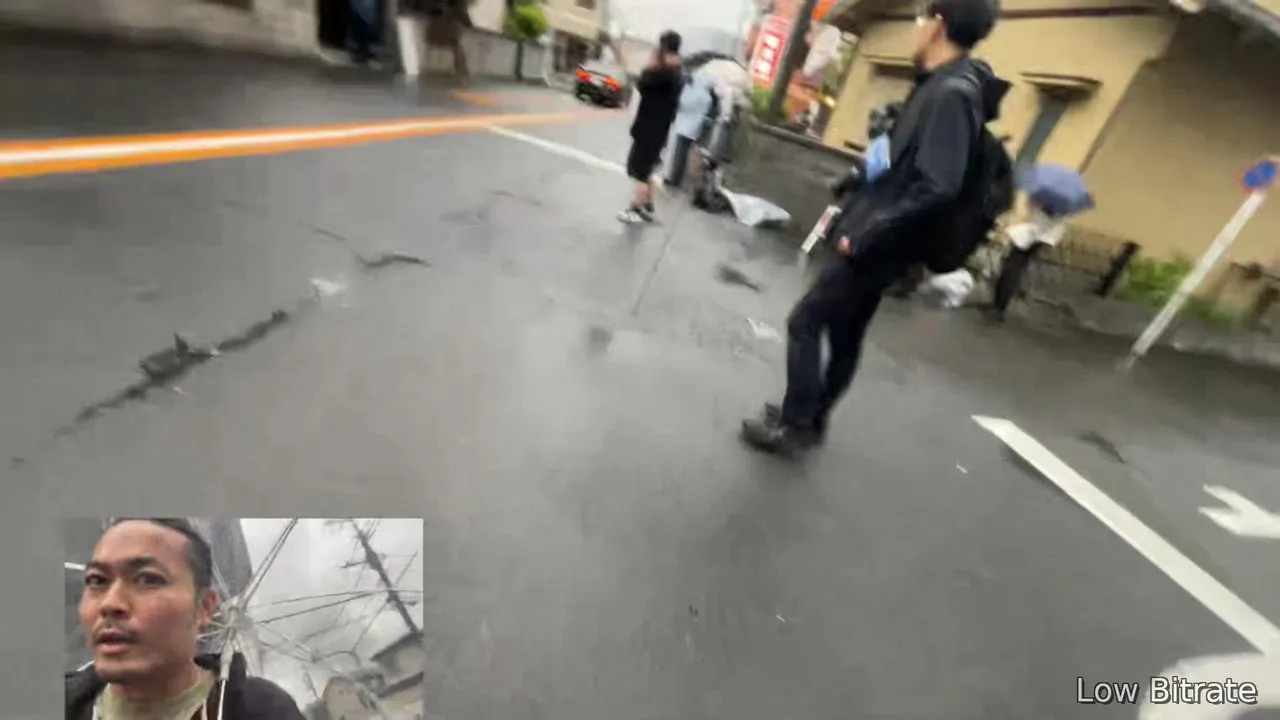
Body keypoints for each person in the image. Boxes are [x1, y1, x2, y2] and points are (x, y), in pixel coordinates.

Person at [741, 0, 1007, 455]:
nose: (916, 26)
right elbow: (899, 157)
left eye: (922, 17)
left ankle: (795, 424)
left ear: (938, 24)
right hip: (880, 237)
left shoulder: (952, 94)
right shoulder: (937, 85)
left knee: (806, 321)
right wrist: (856, 176)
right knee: (845, 333)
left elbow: (938, 185)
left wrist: (867, 232)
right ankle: (810, 419)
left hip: (877, 242)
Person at [66, 518, 306, 720]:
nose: (110, 604)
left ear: (204, 607)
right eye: (97, 580)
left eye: (147, 579)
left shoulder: (263, 711)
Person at [617, 31, 684, 224]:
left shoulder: (664, 73)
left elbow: (642, 82)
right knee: (646, 170)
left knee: (639, 171)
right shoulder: (677, 72)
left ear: (663, 48)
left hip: (649, 130)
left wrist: (652, 63)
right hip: (658, 131)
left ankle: (635, 210)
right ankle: (648, 205)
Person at [985, 198, 1069, 320]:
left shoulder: (1047, 194)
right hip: (1045, 235)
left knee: (1013, 266)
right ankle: (1000, 303)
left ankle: (999, 306)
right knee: (1016, 265)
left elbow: (1033, 213)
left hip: (1032, 233)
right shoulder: (1067, 199)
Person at [665, 73, 717, 190]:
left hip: (684, 126)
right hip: (694, 127)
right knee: (684, 153)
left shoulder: (695, 93)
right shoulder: (707, 97)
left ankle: (674, 178)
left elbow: (682, 104)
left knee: (679, 153)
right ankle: (677, 177)